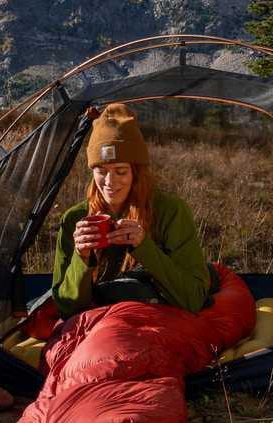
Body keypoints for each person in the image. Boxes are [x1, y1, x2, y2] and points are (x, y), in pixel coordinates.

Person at [52, 103, 211, 319]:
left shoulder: (170, 211)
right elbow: (65, 309)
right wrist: (81, 257)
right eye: (101, 171)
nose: (110, 182)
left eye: (120, 171)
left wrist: (144, 247)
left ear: (137, 173)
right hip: (100, 324)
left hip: (157, 320)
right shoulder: (75, 219)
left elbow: (194, 299)